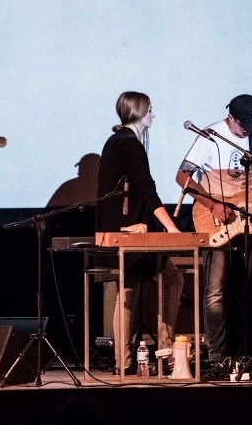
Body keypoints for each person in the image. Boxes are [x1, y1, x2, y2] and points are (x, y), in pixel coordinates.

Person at [175, 94, 252, 365]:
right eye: (243, 124)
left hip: (250, 221)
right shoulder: (210, 136)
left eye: (251, 124)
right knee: (215, 291)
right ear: (231, 118)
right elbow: (182, 177)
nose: (247, 129)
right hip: (216, 219)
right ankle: (217, 356)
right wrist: (212, 205)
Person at [96, 91, 183, 375]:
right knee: (168, 279)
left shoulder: (114, 141)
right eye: (150, 110)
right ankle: (168, 351)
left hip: (121, 229)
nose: (153, 115)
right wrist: (171, 228)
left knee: (131, 289)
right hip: (130, 232)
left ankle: (126, 361)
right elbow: (146, 189)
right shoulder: (130, 144)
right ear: (138, 112)